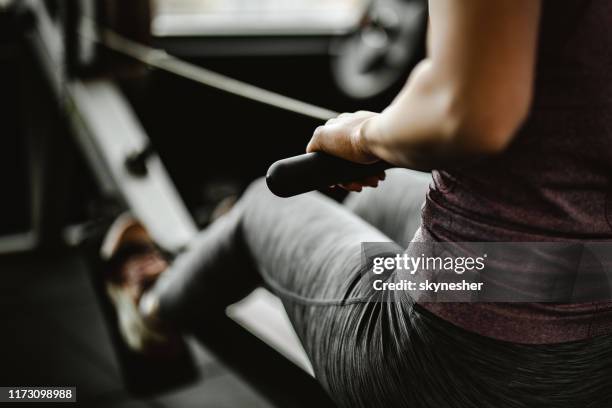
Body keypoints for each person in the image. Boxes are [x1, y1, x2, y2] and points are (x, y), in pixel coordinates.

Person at [102, 1, 612, 407]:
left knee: (266, 206)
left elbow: (468, 116)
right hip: (596, 332)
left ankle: (152, 313)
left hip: (459, 364)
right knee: (366, 197)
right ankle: (249, 250)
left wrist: (362, 135)